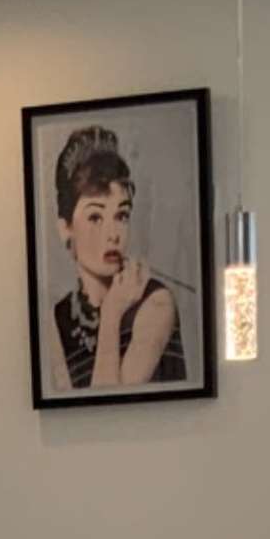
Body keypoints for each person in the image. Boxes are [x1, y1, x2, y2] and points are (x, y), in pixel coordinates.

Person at [44, 122, 189, 392]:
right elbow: (80, 418)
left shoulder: (157, 303)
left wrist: (111, 313)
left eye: (121, 215)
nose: (113, 235)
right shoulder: (59, 317)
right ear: (66, 229)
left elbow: (107, 407)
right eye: (95, 217)